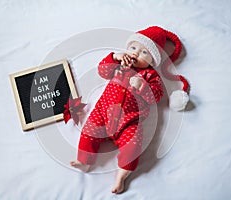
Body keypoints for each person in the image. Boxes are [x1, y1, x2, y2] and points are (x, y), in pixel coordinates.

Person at [70, 26, 190, 194]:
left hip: (129, 122)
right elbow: (102, 71)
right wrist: (114, 57)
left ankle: (122, 176)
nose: (135, 53)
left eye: (144, 53)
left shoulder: (150, 76)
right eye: (133, 48)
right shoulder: (119, 64)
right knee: (89, 131)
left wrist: (142, 85)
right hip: (103, 114)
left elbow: (156, 96)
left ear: (152, 61)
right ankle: (85, 161)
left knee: (133, 147)